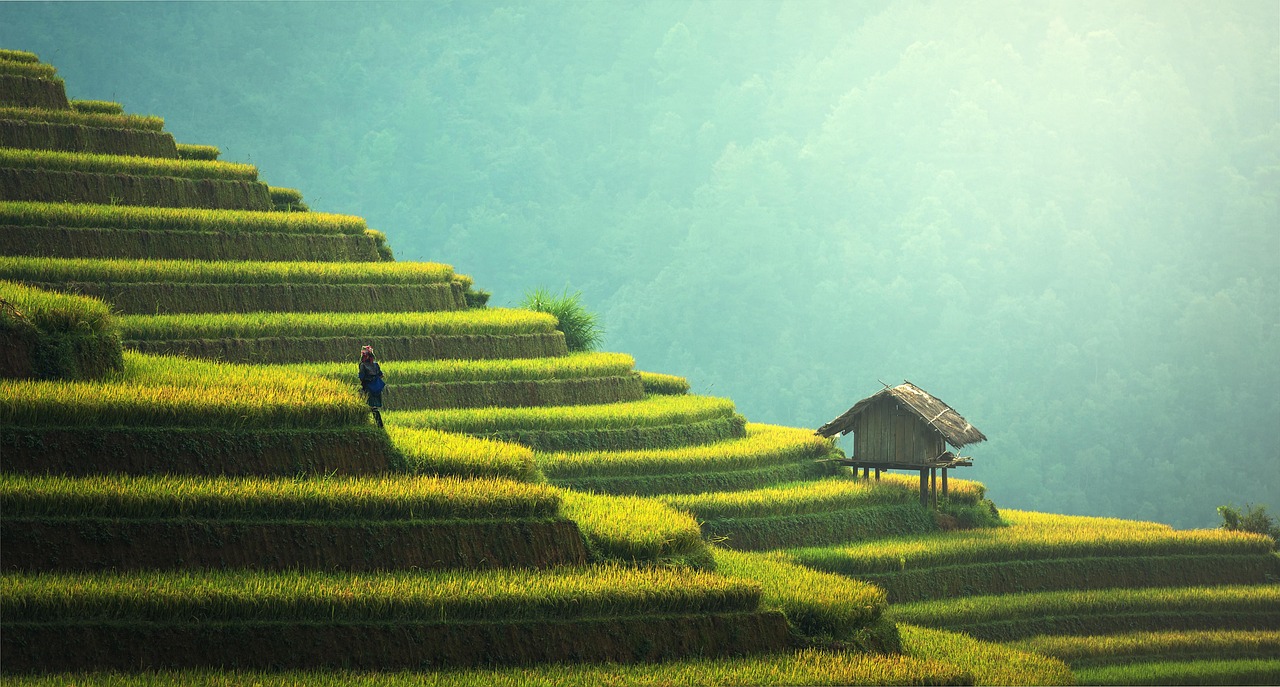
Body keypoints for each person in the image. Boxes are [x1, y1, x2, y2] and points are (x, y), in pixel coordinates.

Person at [358, 345, 385, 427]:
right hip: (377, 387)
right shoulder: (376, 365)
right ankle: (379, 425)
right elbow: (381, 375)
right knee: (374, 407)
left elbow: (361, 377)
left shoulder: (362, 365)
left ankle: (364, 423)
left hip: (368, 387)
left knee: (368, 405)